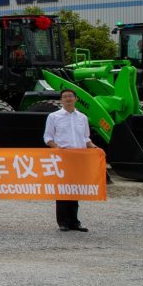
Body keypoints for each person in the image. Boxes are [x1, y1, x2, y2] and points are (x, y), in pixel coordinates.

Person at [44, 88, 98, 232]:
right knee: (63, 189)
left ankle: (74, 222)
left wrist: (95, 148)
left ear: (76, 99)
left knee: (75, 189)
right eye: (65, 97)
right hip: (62, 158)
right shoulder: (54, 117)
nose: (68, 99)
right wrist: (56, 148)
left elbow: (86, 138)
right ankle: (63, 222)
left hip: (78, 159)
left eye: (70, 96)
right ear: (61, 100)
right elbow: (48, 137)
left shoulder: (82, 117)